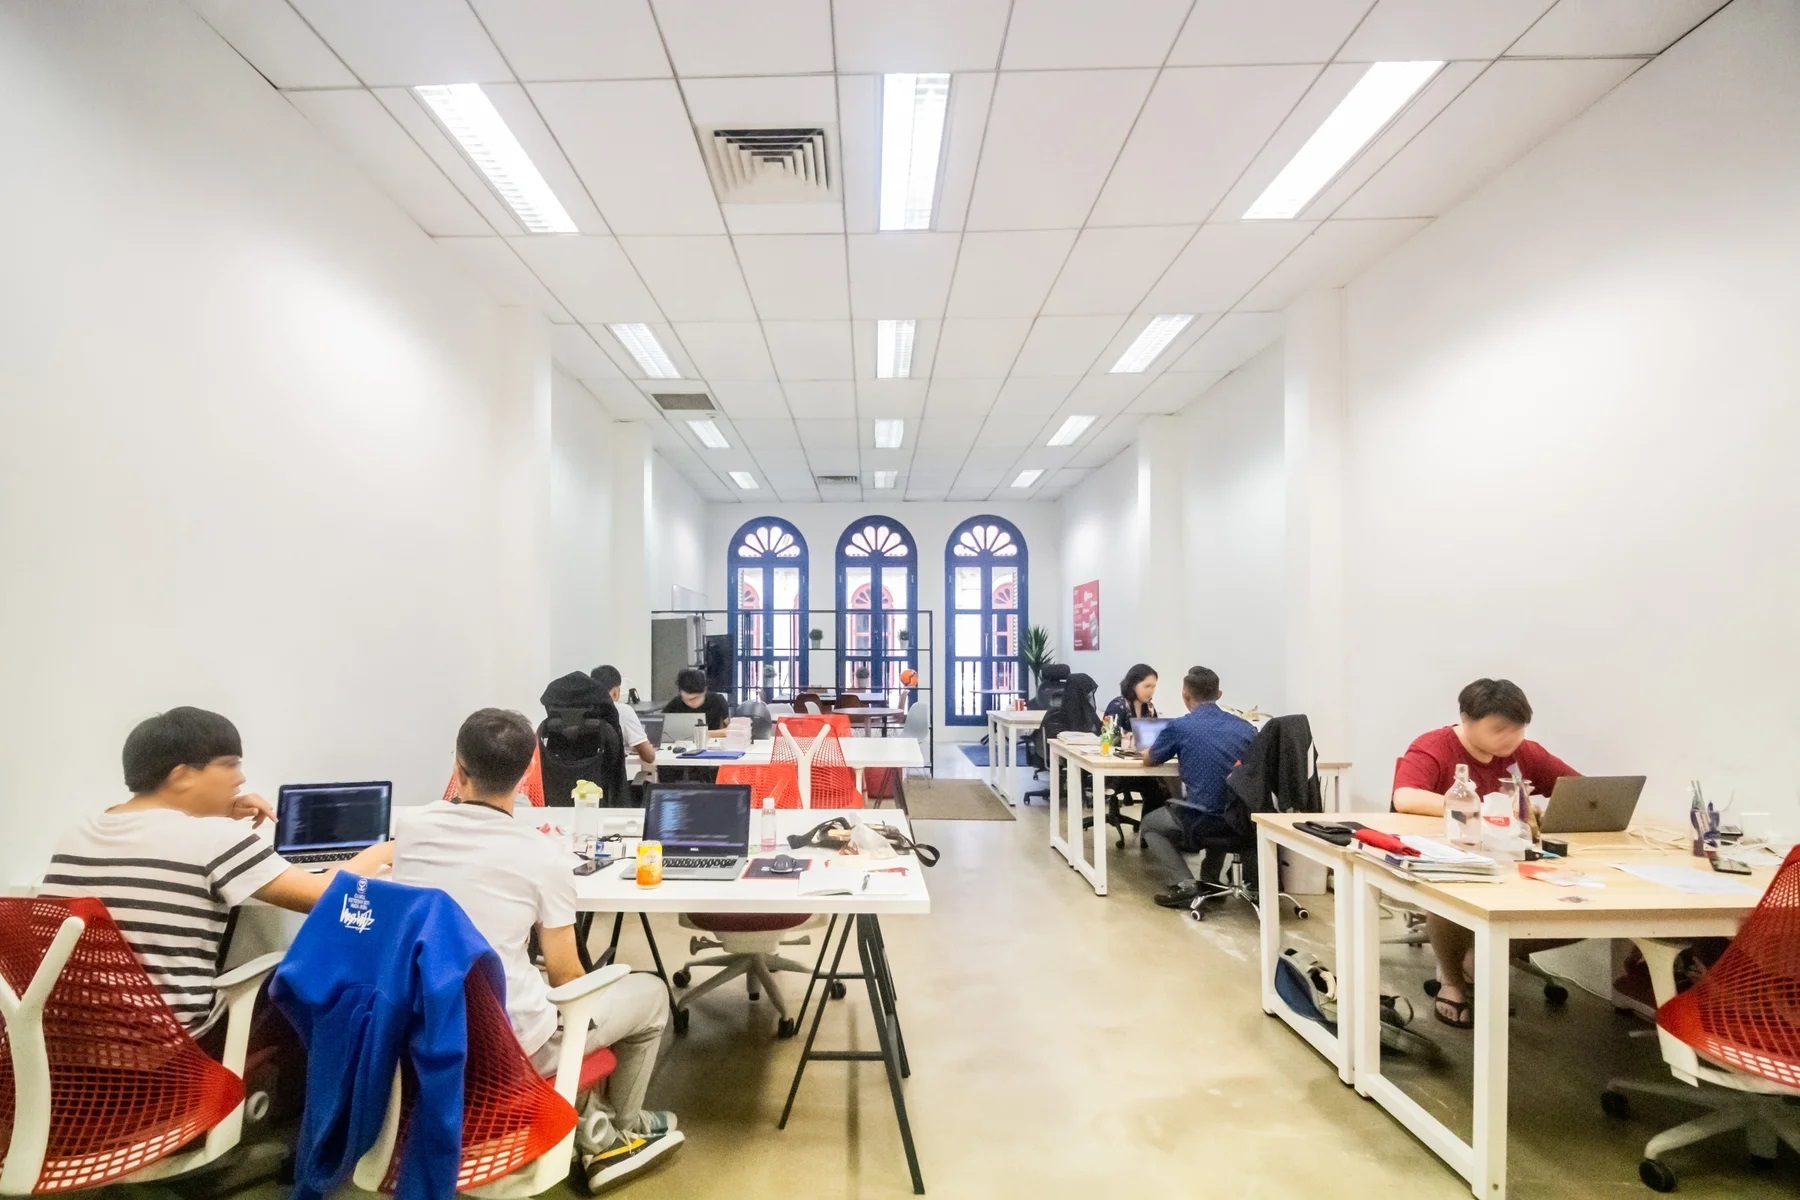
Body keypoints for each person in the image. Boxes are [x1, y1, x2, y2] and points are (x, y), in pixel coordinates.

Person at [391, 709, 681, 1192]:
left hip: (426, 1032)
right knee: (649, 994)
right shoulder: (541, 856)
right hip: (515, 1045)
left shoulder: (412, 830)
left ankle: (593, 1117)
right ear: (529, 773)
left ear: (457, 769)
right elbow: (568, 975)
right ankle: (617, 1136)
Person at [40, 707, 393, 1037]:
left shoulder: (79, 831)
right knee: (305, 996)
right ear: (181, 776)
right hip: (163, 1049)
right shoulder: (215, 838)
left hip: (61, 1042)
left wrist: (214, 814)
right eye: (230, 765)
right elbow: (324, 897)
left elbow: (166, 843)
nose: (240, 779)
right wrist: (383, 849)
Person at [1392, 678, 1580, 1028]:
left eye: (1519, 729)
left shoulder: (1525, 753)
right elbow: (1406, 797)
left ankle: (1478, 955)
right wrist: (1476, 808)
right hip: (1454, 857)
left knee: (1582, 908)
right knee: (1451, 896)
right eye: (1499, 729)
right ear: (1466, 719)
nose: (1511, 738)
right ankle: (1452, 982)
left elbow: (1578, 790)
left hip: (1512, 859)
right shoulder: (1434, 746)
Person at [1137, 669, 1257, 908]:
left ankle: (1185, 883)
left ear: (1185, 694)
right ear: (1219, 694)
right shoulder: (1247, 728)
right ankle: (1211, 879)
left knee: (1150, 825)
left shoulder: (1181, 726)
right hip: (1243, 819)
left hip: (1203, 819)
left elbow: (1150, 760)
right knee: (1223, 799)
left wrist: (1143, 751)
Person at [592, 664, 656, 770]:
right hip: (612, 782)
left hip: (580, 783)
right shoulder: (623, 710)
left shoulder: (580, 709)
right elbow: (649, 757)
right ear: (616, 692)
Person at [661, 667, 728, 731]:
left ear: (705, 690)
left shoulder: (717, 700)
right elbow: (659, 727)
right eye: (685, 699)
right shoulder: (675, 703)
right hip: (683, 742)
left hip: (712, 740)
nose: (690, 703)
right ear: (680, 692)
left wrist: (703, 734)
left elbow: (732, 729)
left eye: (695, 698)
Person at [1103, 663, 1158, 732]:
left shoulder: (1150, 708)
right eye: (1147, 686)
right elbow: (1109, 736)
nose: (1151, 691)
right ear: (1133, 685)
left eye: (1153, 687)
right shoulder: (1117, 706)